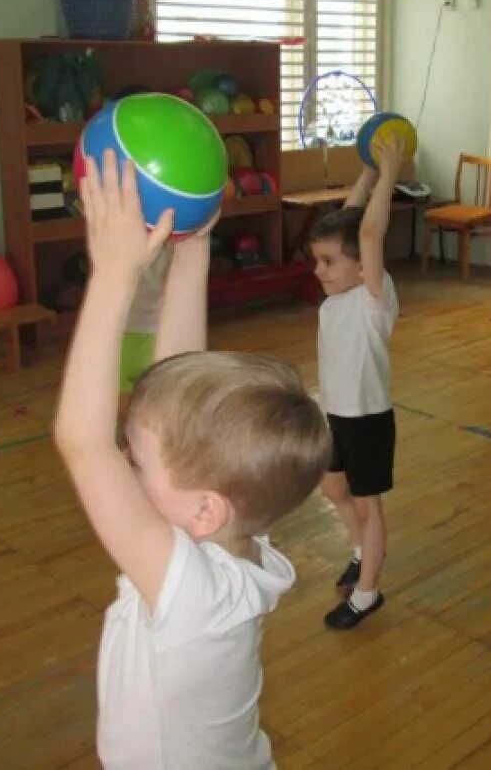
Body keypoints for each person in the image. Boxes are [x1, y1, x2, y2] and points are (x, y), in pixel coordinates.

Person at [53, 152, 330, 769]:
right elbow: (177, 379)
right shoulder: (230, 537)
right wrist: (192, 246)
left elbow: (83, 444)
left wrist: (113, 278)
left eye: (139, 462)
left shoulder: (192, 591)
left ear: (204, 508)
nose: (126, 461)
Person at [309, 134, 403, 629]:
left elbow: (367, 235)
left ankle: (367, 594)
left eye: (327, 262)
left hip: (367, 420)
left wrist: (389, 174)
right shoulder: (339, 294)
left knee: (369, 508)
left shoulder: (373, 298)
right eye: (317, 260)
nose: (318, 270)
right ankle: (357, 550)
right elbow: (352, 224)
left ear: (362, 268)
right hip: (335, 413)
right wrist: (366, 171)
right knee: (331, 488)